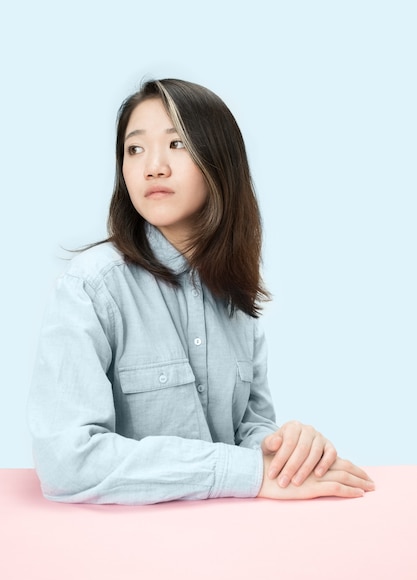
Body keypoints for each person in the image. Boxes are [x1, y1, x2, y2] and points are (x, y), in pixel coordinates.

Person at [27, 78, 374, 504]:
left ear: (219, 160)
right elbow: (67, 462)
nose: (153, 166)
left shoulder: (237, 302)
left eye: (177, 144)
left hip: (231, 547)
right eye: (134, 149)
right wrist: (243, 471)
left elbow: (249, 429)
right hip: (118, 553)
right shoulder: (91, 288)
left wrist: (286, 451)